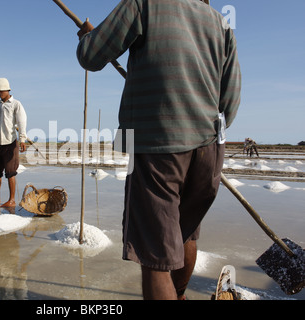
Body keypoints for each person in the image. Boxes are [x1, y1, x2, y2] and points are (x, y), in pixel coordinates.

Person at [77, 0, 241, 300]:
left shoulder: (145, 4)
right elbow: (230, 100)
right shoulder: (220, 23)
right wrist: (200, 132)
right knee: (185, 232)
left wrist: (89, 36)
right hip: (208, 151)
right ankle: (178, 296)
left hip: (158, 147)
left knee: (155, 258)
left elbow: (91, 56)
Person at [0, 78, 27, 207]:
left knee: (10, 173)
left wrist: (23, 139)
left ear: (8, 90)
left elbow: (21, 122)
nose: (0, 93)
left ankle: (12, 199)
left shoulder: (15, 104)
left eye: (2, 91)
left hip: (10, 143)